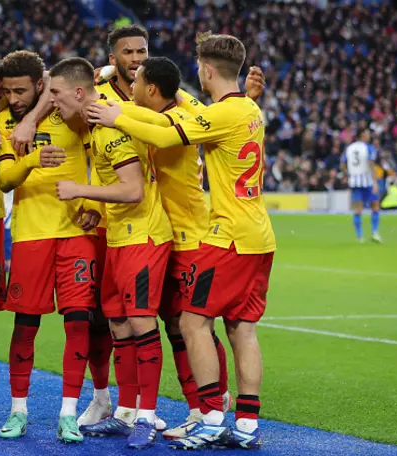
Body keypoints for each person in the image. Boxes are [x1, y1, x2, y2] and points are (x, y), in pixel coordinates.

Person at [87, 32, 276, 450]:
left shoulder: (214, 112)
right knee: (241, 328)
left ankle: (208, 416)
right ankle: (244, 425)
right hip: (257, 234)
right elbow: (170, 120)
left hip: (222, 236)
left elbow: (168, 133)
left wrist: (115, 116)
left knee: (191, 323)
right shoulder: (246, 110)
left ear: (206, 71)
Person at [50, 57, 173, 449]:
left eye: (55, 93)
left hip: (144, 236)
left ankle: (148, 417)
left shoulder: (108, 130)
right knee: (119, 326)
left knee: (140, 324)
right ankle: (125, 411)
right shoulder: (93, 125)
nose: (51, 101)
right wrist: (96, 209)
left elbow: (134, 189)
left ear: (80, 93)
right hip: (119, 236)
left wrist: (79, 191)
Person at [0, 50, 99, 444]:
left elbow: (103, 160)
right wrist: (34, 157)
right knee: (25, 325)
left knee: (79, 321)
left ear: (41, 86)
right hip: (30, 234)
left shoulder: (74, 111)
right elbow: (5, 177)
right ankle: (18, 410)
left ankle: (69, 412)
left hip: (75, 232)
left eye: (20, 91)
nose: (12, 98)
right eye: (7, 91)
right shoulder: (3, 123)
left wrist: (96, 202)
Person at [342, 129, 382, 243]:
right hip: (367, 181)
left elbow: (342, 164)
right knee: (375, 206)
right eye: (367, 134)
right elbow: (371, 164)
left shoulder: (349, 148)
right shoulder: (368, 148)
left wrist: (348, 175)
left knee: (358, 210)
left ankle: (360, 236)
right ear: (363, 136)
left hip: (354, 181)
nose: (369, 136)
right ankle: (374, 232)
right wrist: (375, 182)